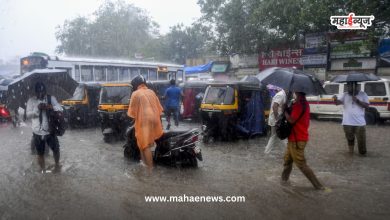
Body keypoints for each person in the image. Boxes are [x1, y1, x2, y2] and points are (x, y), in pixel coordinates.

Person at [281, 92, 324, 190]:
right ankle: (284, 181)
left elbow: (291, 120)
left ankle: (319, 186)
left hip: (297, 140)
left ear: (297, 91)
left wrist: (285, 111)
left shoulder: (299, 105)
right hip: (295, 138)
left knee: (301, 164)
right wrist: (288, 108)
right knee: (287, 161)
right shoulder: (302, 103)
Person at [127, 75, 164, 169]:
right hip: (154, 118)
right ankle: (143, 163)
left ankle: (149, 169)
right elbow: (159, 107)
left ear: (135, 85)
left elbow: (132, 112)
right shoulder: (151, 91)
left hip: (145, 120)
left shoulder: (136, 93)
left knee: (145, 145)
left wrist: (131, 116)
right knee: (141, 142)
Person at [26, 82, 63, 173]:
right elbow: (28, 115)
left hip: (50, 130)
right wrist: (37, 109)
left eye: (42, 91)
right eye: (38, 91)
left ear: (45, 90)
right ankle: (43, 170)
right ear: (36, 91)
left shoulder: (51, 98)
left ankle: (57, 165)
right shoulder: (31, 101)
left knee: (56, 149)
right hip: (37, 132)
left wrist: (51, 107)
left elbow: (60, 108)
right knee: (40, 153)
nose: (40, 93)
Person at [333, 82, 369, 155]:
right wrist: (335, 99)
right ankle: (351, 153)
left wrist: (357, 100)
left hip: (360, 123)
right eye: (348, 86)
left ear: (356, 87)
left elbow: (367, 106)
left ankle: (362, 153)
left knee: (361, 141)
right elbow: (337, 103)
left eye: (351, 86)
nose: (349, 88)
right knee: (350, 139)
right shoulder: (345, 94)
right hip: (347, 122)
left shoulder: (363, 94)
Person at [264, 89, 287, 154]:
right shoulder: (281, 95)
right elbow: (275, 106)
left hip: (276, 119)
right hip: (276, 120)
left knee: (274, 136)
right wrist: (277, 119)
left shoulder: (283, 95)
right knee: (283, 135)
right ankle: (289, 152)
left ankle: (267, 151)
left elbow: (280, 106)